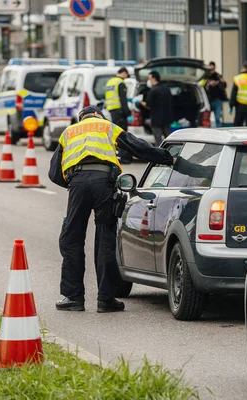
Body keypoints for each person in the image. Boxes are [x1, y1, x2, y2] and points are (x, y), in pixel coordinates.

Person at [50, 105, 174, 313]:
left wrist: (73, 183)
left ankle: (73, 298)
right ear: (99, 115)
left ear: (81, 118)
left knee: (71, 239)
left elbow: (54, 173)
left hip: (77, 184)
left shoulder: (68, 132)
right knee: (106, 239)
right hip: (104, 183)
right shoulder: (108, 126)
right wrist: (167, 157)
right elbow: (138, 147)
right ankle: (106, 300)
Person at [105, 67, 133, 164]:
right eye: (126, 75)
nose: (126, 78)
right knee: (123, 135)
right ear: (124, 73)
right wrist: (128, 113)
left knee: (116, 135)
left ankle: (117, 156)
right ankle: (125, 158)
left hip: (113, 112)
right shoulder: (120, 83)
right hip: (120, 112)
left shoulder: (110, 82)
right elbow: (123, 100)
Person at [141, 71, 173, 146]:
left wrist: (140, 101)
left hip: (156, 119)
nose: (148, 80)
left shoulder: (153, 91)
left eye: (149, 78)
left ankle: (159, 154)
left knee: (158, 140)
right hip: (167, 118)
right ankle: (172, 153)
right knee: (168, 138)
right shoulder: (166, 89)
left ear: (154, 78)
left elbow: (148, 105)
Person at [200, 62, 228, 127]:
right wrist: (208, 84)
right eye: (210, 69)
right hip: (207, 101)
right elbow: (200, 85)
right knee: (206, 119)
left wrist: (221, 82)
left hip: (217, 100)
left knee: (218, 119)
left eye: (213, 69)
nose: (212, 70)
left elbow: (224, 86)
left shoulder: (218, 76)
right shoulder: (204, 76)